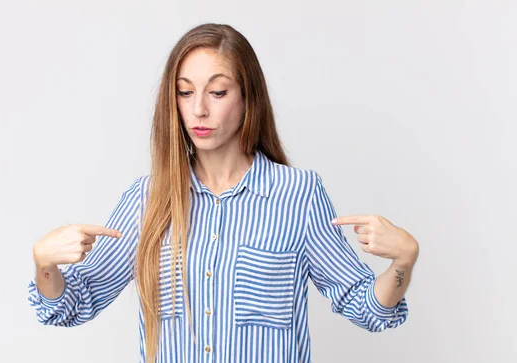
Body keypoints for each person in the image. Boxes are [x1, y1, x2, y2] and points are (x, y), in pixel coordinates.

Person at [27, 23, 419, 363]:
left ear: (248, 98)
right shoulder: (147, 201)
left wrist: (403, 260)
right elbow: (72, 304)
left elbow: (366, 307)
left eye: (217, 92)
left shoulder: (298, 195)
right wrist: (45, 264)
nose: (198, 109)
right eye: (184, 92)